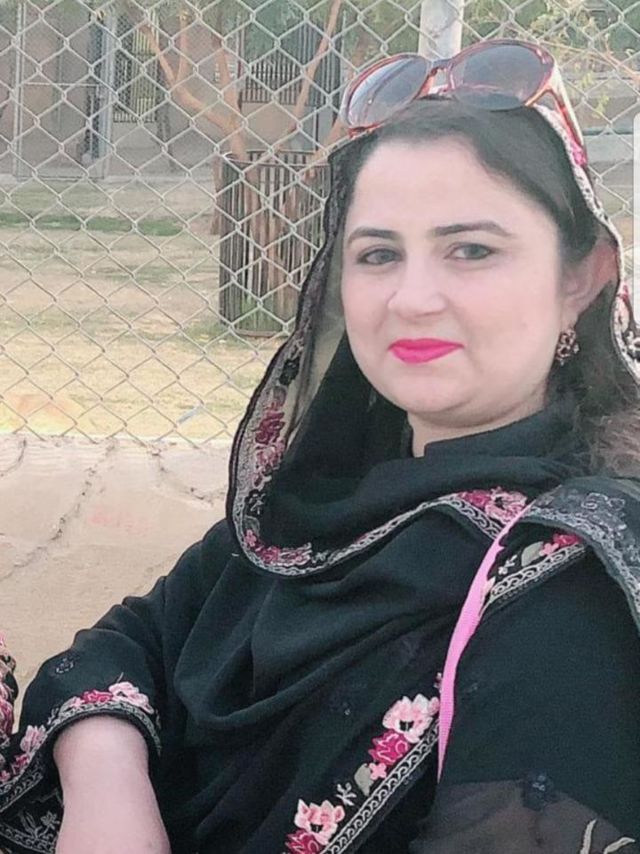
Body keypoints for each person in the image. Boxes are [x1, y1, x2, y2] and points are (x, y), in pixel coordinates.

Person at [1, 38, 640, 854]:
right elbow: (129, 639)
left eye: (471, 250)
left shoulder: (567, 587)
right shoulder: (321, 504)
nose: (411, 298)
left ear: (582, 277)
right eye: (378, 254)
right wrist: (109, 786)